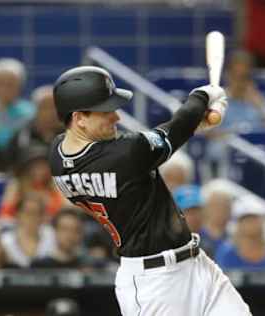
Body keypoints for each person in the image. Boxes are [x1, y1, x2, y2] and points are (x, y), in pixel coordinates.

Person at [48, 66, 250, 315]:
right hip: (155, 283)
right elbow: (170, 132)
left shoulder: (57, 156)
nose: (117, 118)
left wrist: (193, 125)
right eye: (106, 111)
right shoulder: (124, 154)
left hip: (194, 265)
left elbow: (164, 139)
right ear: (79, 118)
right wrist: (202, 97)